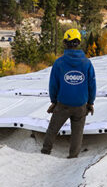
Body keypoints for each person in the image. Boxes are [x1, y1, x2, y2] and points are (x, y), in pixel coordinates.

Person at [41, 28, 97, 159]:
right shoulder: (87, 63)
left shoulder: (59, 63)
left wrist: (54, 102)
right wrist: (90, 102)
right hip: (81, 105)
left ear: (65, 43)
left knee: (52, 129)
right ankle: (73, 156)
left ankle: (45, 152)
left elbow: (53, 85)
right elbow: (92, 85)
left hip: (63, 104)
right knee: (77, 133)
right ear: (78, 43)